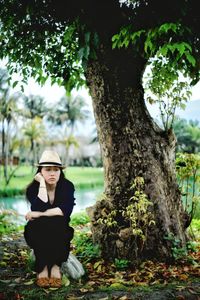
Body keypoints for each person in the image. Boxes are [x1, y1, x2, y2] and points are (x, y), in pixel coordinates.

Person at [24, 150, 76, 288]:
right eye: (48, 170)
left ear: (60, 171)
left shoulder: (67, 186)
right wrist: (42, 183)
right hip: (38, 229)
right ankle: (42, 268)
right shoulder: (32, 189)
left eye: (56, 170)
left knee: (58, 224)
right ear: (40, 171)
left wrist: (40, 214)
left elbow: (65, 211)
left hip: (60, 228)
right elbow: (38, 207)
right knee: (39, 226)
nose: (52, 173)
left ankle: (55, 266)